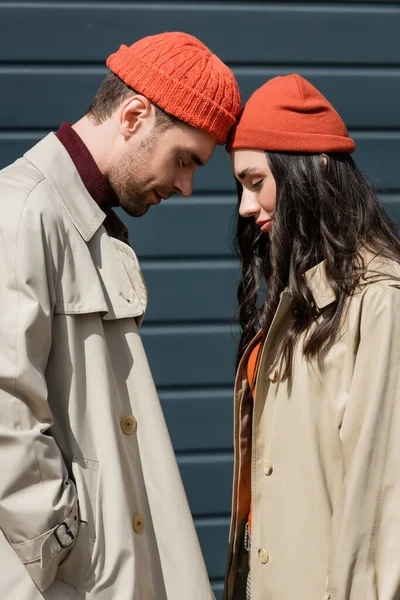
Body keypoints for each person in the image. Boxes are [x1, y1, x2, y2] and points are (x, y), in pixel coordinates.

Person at [0, 31, 241, 600]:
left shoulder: (82, 221)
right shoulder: (23, 212)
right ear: (134, 115)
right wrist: (68, 544)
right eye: (184, 160)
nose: (186, 186)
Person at [224, 74, 400, 600]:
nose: (244, 206)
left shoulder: (380, 300)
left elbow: (380, 505)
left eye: (255, 182)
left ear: (313, 168)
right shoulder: (300, 293)